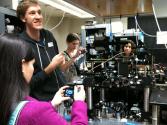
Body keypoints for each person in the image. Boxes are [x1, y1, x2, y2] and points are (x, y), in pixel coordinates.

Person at [0, 33, 88, 125]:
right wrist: (79, 103)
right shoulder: (37, 112)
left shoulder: (7, 102)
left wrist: (51, 105)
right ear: (22, 66)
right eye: (32, 64)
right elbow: (36, 115)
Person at [16, 0, 66, 101]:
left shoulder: (48, 35)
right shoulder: (20, 44)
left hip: (61, 96)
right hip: (42, 102)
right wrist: (51, 67)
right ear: (23, 18)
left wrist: (62, 62)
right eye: (32, 13)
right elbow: (27, 85)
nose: (38, 17)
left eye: (39, 12)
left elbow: (58, 66)